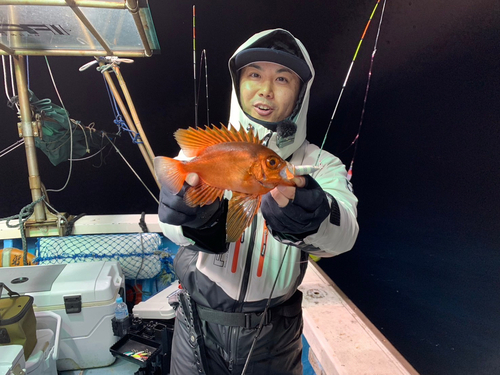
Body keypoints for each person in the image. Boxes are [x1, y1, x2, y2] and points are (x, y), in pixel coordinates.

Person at [158, 28, 359, 375]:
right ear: (239, 84)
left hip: (274, 337)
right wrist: (194, 219)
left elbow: (346, 235)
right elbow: (170, 227)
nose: (266, 90)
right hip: (196, 326)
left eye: (282, 78)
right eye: (254, 75)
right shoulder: (202, 151)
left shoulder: (321, 165)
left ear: (300, 93)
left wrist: (317, 216)